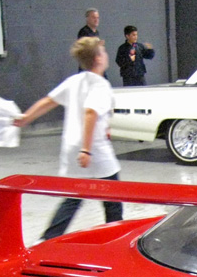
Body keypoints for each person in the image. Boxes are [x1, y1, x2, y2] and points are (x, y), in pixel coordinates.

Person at [14, 37, 122, 241]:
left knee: (72, 198)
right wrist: (86, 149)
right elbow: (90, 112)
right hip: (94, 151)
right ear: (98, 58)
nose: (106, 55)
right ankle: (115, 239)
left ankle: (46, 239)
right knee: (113, 199)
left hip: (71, 149)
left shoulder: (74, 81)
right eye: (103, 52)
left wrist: (26, 117)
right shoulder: (100, 85)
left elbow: (49, 101)